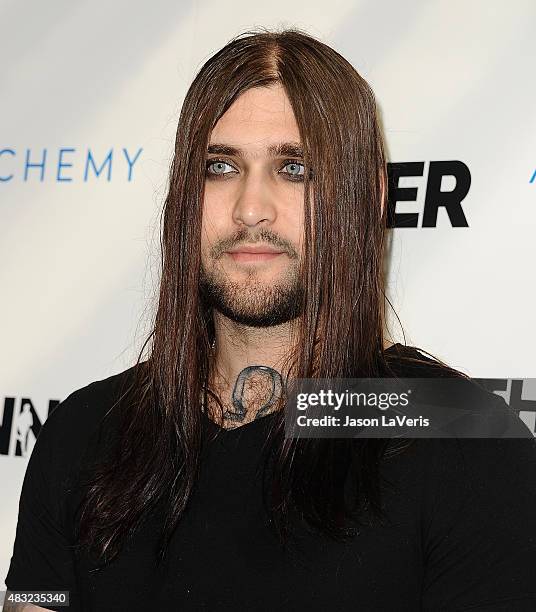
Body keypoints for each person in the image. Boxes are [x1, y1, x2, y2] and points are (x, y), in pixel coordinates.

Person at [4, 27, 536, 612]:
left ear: (369, 198)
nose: (251, 208)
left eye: (294, 168)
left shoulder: (463, 434)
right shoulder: (82, 434)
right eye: (220, 168)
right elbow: (34, 602)